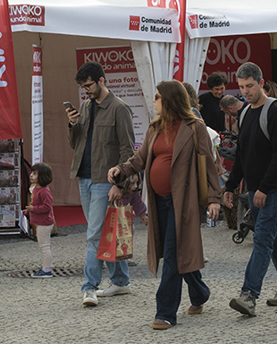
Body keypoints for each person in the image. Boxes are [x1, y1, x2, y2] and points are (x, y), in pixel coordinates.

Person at [109, 80, 221, 330]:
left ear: (169, 100)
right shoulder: (155, 127)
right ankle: (200, 291)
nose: (154, 100)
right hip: (159, 201)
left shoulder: (195, 127)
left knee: (171, 253)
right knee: (176, 251)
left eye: (157, 97)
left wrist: (214, 198)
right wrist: (121, 170)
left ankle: (166, 312)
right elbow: (139, 159)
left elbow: (210, 165)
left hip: (184, 202)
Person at [223, 62, 277, 316]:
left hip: (272, 190)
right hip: (256, 190)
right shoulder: (244, 113)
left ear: (261, 82)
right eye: (242, 87)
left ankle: (249, 295)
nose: (246, 91)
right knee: (274, 242)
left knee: (262, 240)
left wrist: (264, 187)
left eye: (250, 86)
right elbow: (242, 154)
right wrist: (231, 184)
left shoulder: (276, 112)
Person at [67, 61, 135, 306]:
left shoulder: (119, 108)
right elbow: (76, 144)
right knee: (106, 232)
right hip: (84, 177)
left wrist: (120, 182)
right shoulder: (85, 107)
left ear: (102, 80)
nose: (86, 91)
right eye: (83, 87)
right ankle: (121, 281)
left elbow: (128, 149)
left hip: (105, 180)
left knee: (94, 234)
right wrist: (72, 124)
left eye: (88, 85)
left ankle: (89, 287)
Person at [25, 162, 56, 278]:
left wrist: (33, 208)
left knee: (44, 246)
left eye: (35, 173)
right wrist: (29, 210)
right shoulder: (35, 189)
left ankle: (46, 269)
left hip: (44, 222)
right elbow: (35, 203)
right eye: (32, 173)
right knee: (43, 246)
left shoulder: (44, 191)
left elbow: (47, 207)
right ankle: (45, 268)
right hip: (40, 221)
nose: (31, 175)